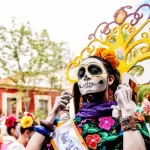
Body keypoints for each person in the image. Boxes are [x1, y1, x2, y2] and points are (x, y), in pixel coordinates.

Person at [26, 47, 150, 150]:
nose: (85, 76)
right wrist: (52, 115)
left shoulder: (132, 118)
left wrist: (127, 111)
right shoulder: (65, 126)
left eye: (94, 70)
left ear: (110, 79)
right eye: (81, 74)